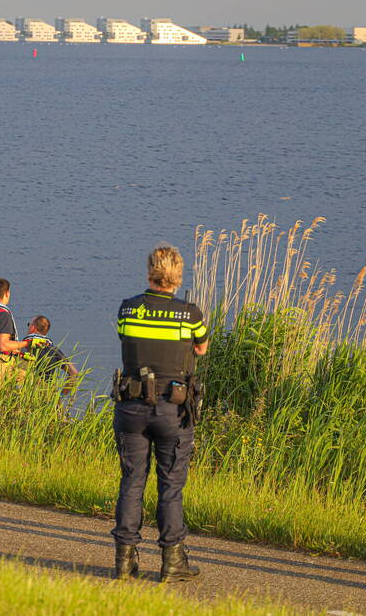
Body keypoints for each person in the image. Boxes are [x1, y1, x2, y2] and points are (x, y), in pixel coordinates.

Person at [111, 245, 209, 581]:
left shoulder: (128, 309)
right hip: (172, 409)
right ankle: (172, 561)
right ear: (178, 275)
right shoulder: (190, 314)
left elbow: (124, 337)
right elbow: (201, 348)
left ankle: (124, 562)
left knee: (132, 481)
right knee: (170, 485)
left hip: (130, 407)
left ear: (149, 271)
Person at [21, 315, 78, 389]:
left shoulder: (23, 346)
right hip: (47, 392)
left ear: (33, 327)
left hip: (26, 392)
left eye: (28, 324)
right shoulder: (53, 349)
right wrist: (62, 394)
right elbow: (74, 373)